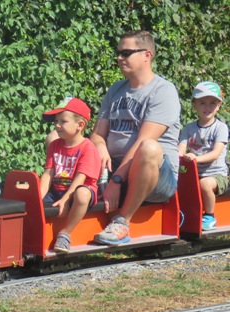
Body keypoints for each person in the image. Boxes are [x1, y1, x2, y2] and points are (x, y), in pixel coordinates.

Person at [90, 30, 181, 245]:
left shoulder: (163, 91)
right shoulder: (116, 90)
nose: (119, 58)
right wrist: (100, 145)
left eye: (126, 53)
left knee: (149, 147)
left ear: (146, 55)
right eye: (119, 53)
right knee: (60, 136)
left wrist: (116, 180)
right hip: (115, 168)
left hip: (156, 178)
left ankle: (122, 221)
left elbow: (142, 142)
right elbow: (97, 134)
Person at [40, 97, 101, 253]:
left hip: (78, 191)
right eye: (56, 121)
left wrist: (66, 199)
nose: (57, 125)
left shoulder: (88, 148)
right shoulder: (55, 145)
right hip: (57, 190)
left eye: (63, 121)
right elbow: (48, 173)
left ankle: (65, 234)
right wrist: (37, 198)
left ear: (80, 125)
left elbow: (81, 178)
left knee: (82, 194)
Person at [179, 81, 228, 231]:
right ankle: (181, 215)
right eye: (202, 103)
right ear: (194, 105)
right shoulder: (189, 128)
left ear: (219, 106)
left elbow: (215, 154)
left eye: (212, 103)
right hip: (194, 173)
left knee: (204, 184)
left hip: (216, 175)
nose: (208, 107)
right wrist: (179, 155)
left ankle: (210, 216)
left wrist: (196, 158)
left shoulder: (220, 127)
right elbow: (180, 149)